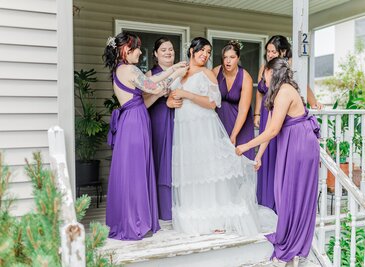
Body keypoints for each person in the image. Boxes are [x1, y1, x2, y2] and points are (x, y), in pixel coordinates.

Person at [170, 37, 261, 236]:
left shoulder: (208, 73)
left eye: (208, 52)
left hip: (204, 124)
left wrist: (186, 95)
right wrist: (170, 100)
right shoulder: (182, 72)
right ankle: (194, 210)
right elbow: (170, 94)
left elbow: (213, 103)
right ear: (192, 50)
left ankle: (216, 214)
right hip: (184, 127)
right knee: (192, 169)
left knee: (210, 169)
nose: (205, 55)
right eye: (202, 50)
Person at [103, 32, 187, 240]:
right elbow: (154, 86)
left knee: (130, 170)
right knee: (136, 171)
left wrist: (173, 69)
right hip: (135, 122)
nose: (141, 52)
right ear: (126, 50)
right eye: (137, 48)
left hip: (130, 120)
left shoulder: (119, 70)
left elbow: (151, 81)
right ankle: (136, 221)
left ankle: (130, 218)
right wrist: (175, 75)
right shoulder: (129, 69)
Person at [236, 57, 320, 266]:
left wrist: (246, 146)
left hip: (300, 145)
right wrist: (258, 155)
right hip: (291, 143)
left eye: (264, 72)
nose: (262, 76)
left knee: (294, 194)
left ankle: (292, 248)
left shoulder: (284, 91)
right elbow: (269, 130)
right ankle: (290, 240)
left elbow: (273, 131)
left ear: (271, 73)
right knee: (283, 192)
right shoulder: (277, 93)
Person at [255, 35, 323, 211]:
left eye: (273, 51)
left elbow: (302, 86)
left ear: (282, 52)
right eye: (268, 51)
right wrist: (256, 113)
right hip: (266, 113)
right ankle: (266, 202)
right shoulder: (265, 68)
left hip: (282, 116)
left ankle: (280, 204)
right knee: (266, 154)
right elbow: (260, 93)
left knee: (280, 157)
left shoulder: (288, 70)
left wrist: (314, 101)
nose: (269, 54)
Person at [144, 37, 182, 221]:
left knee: (179, 158)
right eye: (164, 50)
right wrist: (164, 99)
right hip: (159, 118)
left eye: (171, 49)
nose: (168, 52)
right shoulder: (151, 74)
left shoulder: (183, 72)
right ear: (155, 54)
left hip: (181, 118)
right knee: (162, 159)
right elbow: (143, 101)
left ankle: (180, 205)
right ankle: (163, 208)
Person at [212, 40, 255, 159]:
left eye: (232, 57)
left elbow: (243, 110)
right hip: (220, 121)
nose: (228, 61)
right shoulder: (215, 72)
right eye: (225, 57)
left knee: (240, 159)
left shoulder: (246, 78)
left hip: (240, 124)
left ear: (238, 58)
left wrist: (233, 134)